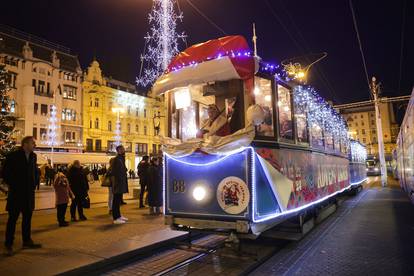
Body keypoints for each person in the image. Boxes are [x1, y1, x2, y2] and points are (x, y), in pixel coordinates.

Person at [3, 136, 41, 255]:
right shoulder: (13, 156)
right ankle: (8, 243)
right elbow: (5, 173)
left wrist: (35, 183)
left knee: (27, 218)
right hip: (16, 193)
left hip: (29, 193)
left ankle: (27, 240)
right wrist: (14, 185)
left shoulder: (33, 156)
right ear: (25, 144)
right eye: (32, 143)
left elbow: (34, 171)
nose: (34, 145)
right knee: (13, 219)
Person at [111, 145, 129, 224]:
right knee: (116, 200)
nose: (124, 150)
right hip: (117, 183)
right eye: (122, 149)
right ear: (118, 150)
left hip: (121, 182)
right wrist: (117, 182)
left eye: (123, 149)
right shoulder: (116, 159)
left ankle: (118, 216)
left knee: (118, 200)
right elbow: (114, 172)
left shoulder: (121, 159)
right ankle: (115, 218)